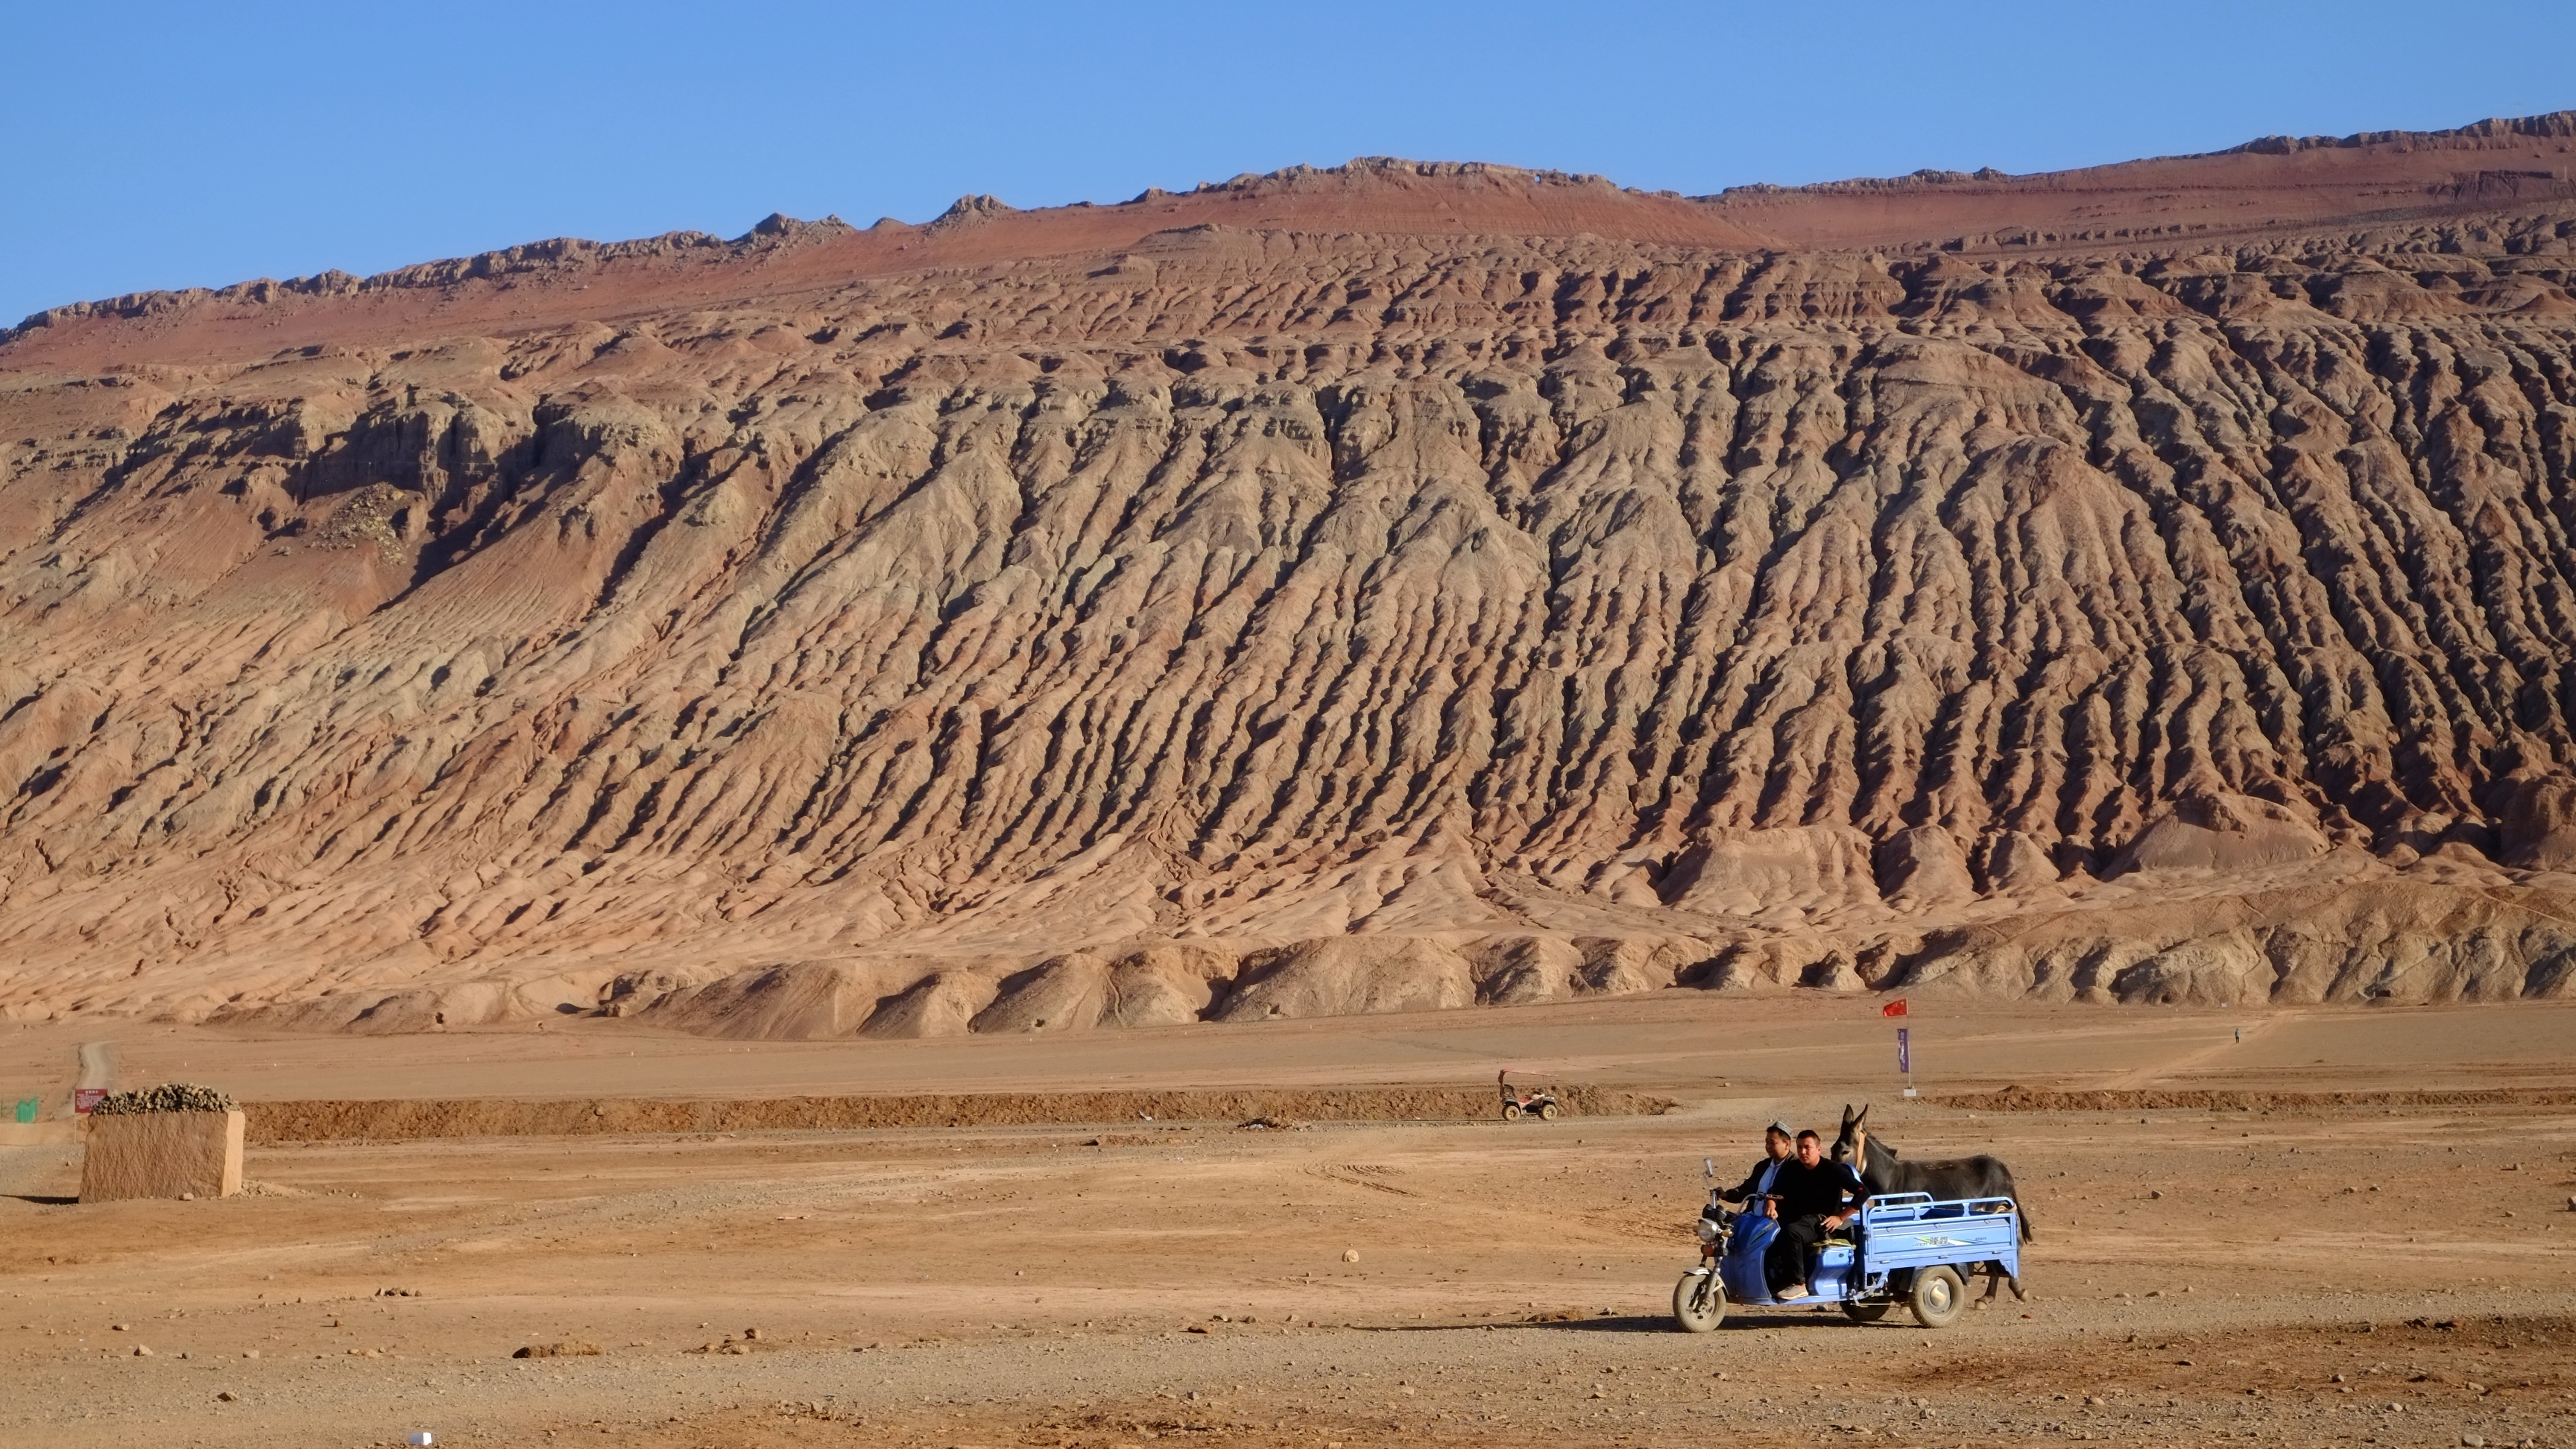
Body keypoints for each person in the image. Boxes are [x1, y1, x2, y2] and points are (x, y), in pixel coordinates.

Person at [1764, 1128, 1864, 1301]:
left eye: (1807, 1147)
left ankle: (1800, 1285)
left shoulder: (1833, 1170)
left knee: (1792, 1232)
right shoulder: (1792, 1168)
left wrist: (1841, 1217)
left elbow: (1863, 1193)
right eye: (1800, 1147)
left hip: (1822, 1221)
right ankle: (1776, 1282)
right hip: (1799, 1219)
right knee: (1767, 1234)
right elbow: (1774, 1191)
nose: (1803, 1152)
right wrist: (1771, 1204)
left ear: (1819, 1149)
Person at [1719, 1121, 1796, 1209]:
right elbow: (1747, 1190)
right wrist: (1726, 1195)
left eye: (1772, 1143)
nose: (1768, 1146)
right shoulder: (1762, 1166)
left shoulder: (1796, 1167)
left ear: (1787, 1144)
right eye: (1767, 1142)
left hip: (1778, 1221)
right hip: (1753, 1217)